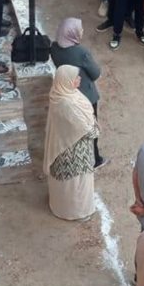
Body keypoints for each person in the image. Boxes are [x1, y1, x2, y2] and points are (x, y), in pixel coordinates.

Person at [43, 65, 98, 221]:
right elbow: (87, 130)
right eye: (75, 77)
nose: (79, 79)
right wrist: (95, 128)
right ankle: (77, 212)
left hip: (62, 143)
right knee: (76, 183)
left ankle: (61, 206)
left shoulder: (60, 93)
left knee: (67, 184)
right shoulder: (67, 104)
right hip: (72, 150)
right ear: (67, 81)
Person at [52, 18, 105, 169]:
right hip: (86, 96)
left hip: (66, 92)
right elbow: (95, 73)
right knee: (90, 127)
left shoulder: (54, 47)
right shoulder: (81, 52)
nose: (82, 31)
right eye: (80, 29)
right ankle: (95, 159)